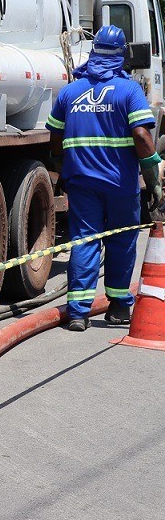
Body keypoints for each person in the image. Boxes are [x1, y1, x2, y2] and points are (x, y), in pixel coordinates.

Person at [46, 24, 162, 332]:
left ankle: (79, 312)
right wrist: (155, 183)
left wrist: (61, 169)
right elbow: (141, 134)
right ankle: (118, 307)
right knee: (122, 241)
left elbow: (55, 137)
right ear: (121, 56)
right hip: (120, 183)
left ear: (94, 52)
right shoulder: (129, 90)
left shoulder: (70, 91)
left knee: (84, 240)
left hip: (81, 181)